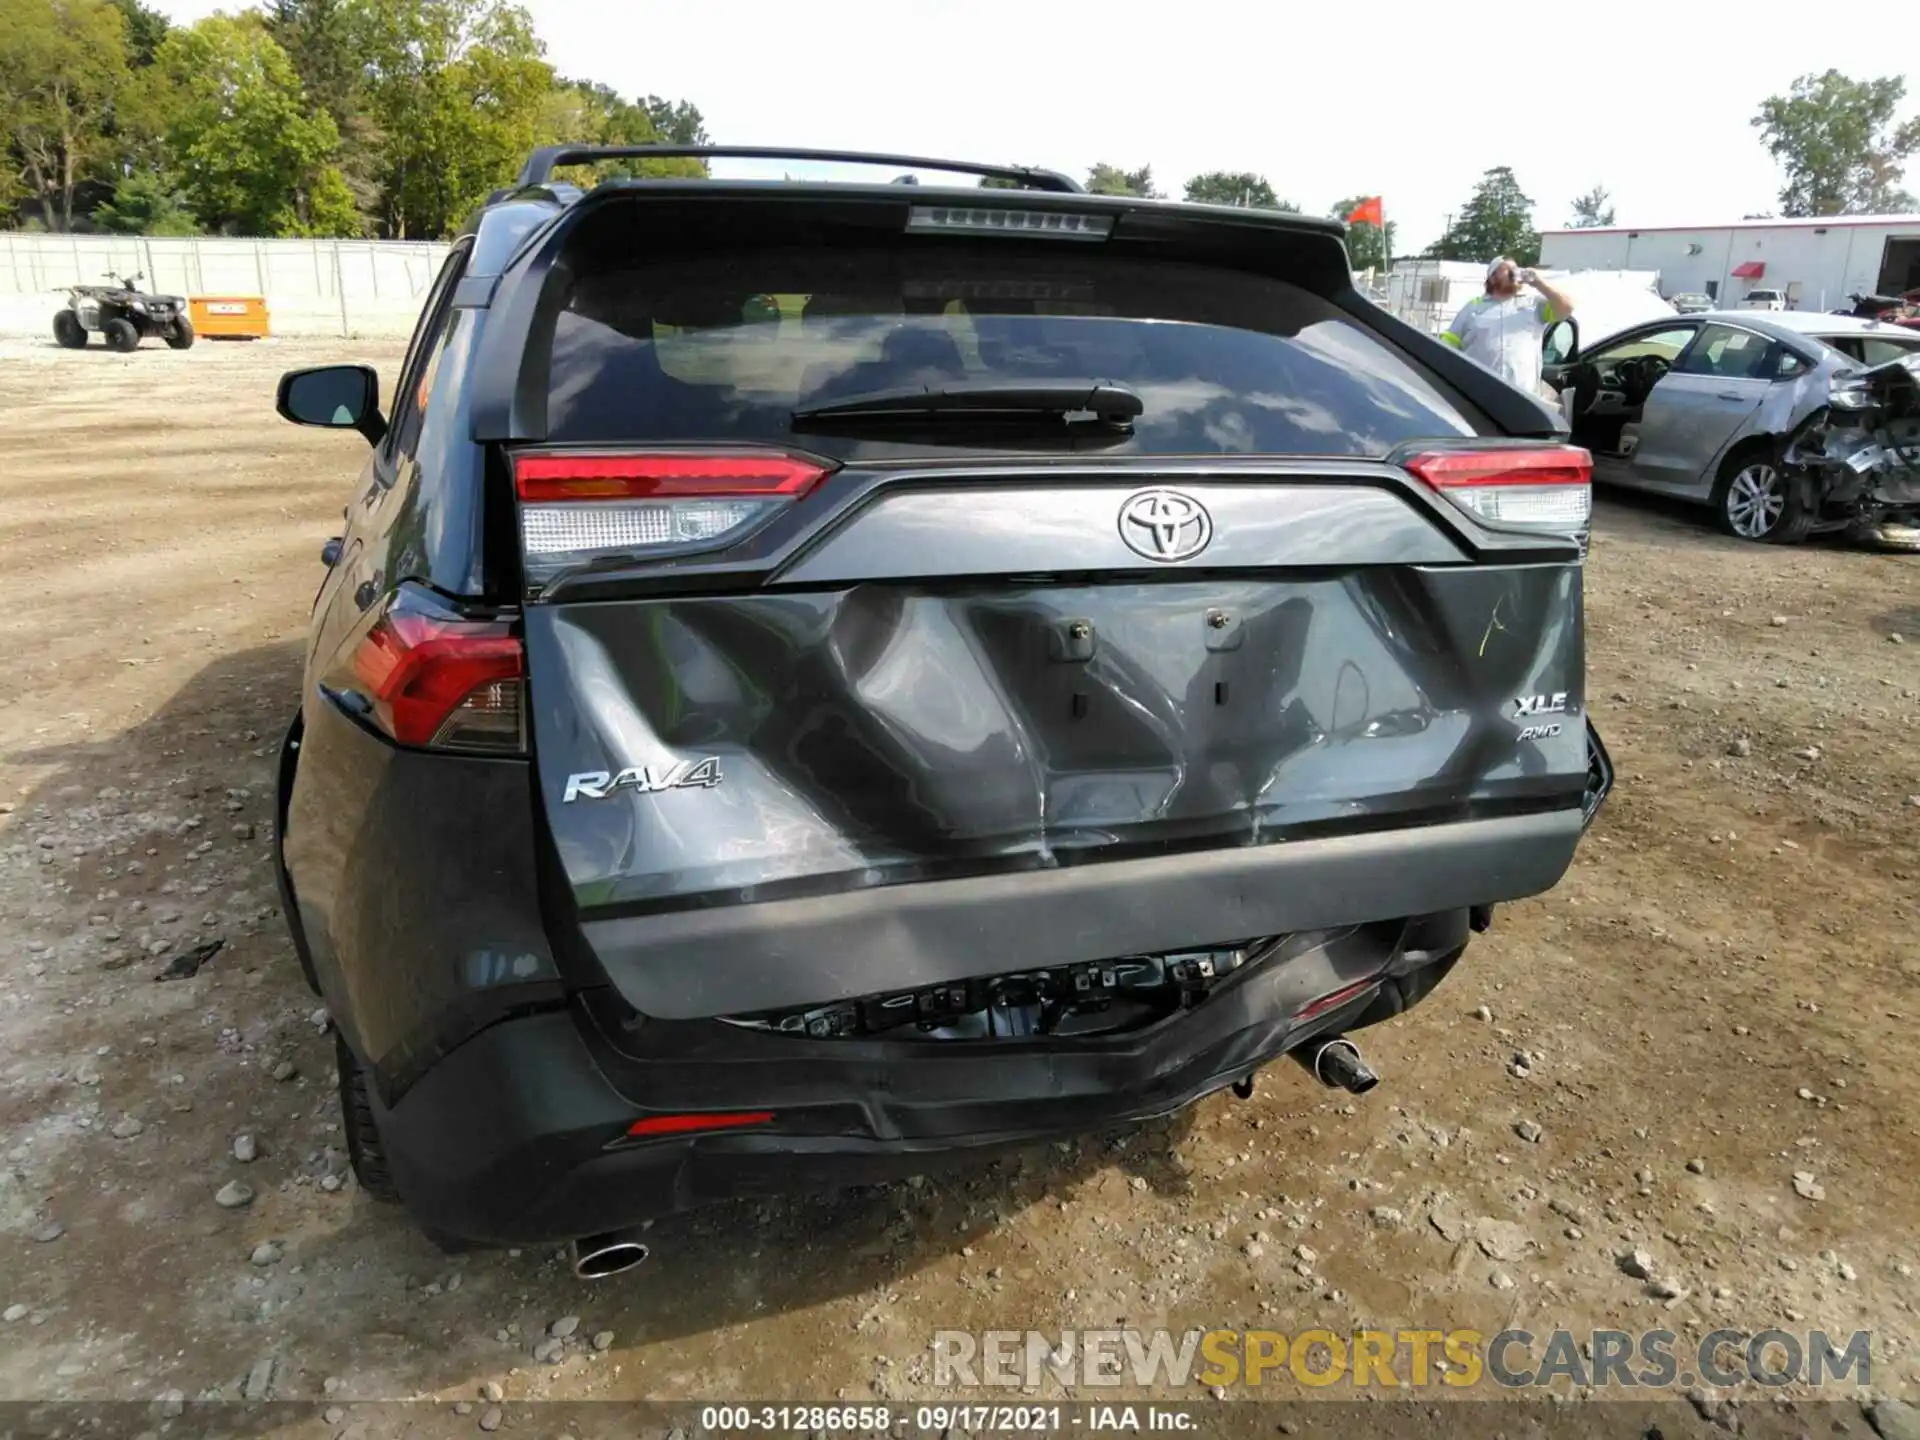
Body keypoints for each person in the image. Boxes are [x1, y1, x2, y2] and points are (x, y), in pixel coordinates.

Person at [1441, 258, 1575, 397]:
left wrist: (1538, 283)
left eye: (1516, 268)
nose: (1514, 272)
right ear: (1492, 278)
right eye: (1507, 269)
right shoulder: (1474, 307)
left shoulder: (1533, 305)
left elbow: (1567, 307)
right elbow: (1449, 343)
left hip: (1523, 395)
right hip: (1479, 393)